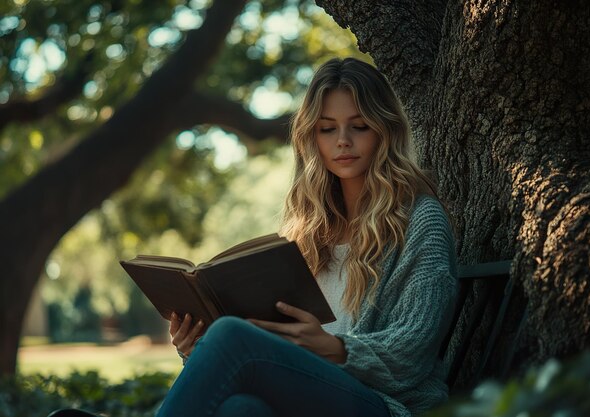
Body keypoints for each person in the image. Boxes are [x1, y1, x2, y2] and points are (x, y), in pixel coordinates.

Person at [48, 57, 457, 417]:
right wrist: (195, 347)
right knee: (240, 409)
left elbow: (412, 352)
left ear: (385, 131)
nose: (343, 141)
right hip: (300, 399)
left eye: (360, 126)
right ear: (312, 138)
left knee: (232, 337)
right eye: (327, 129)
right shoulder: (305, 231)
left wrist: (336, 349)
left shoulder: (420, 222)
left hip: (378, 405)